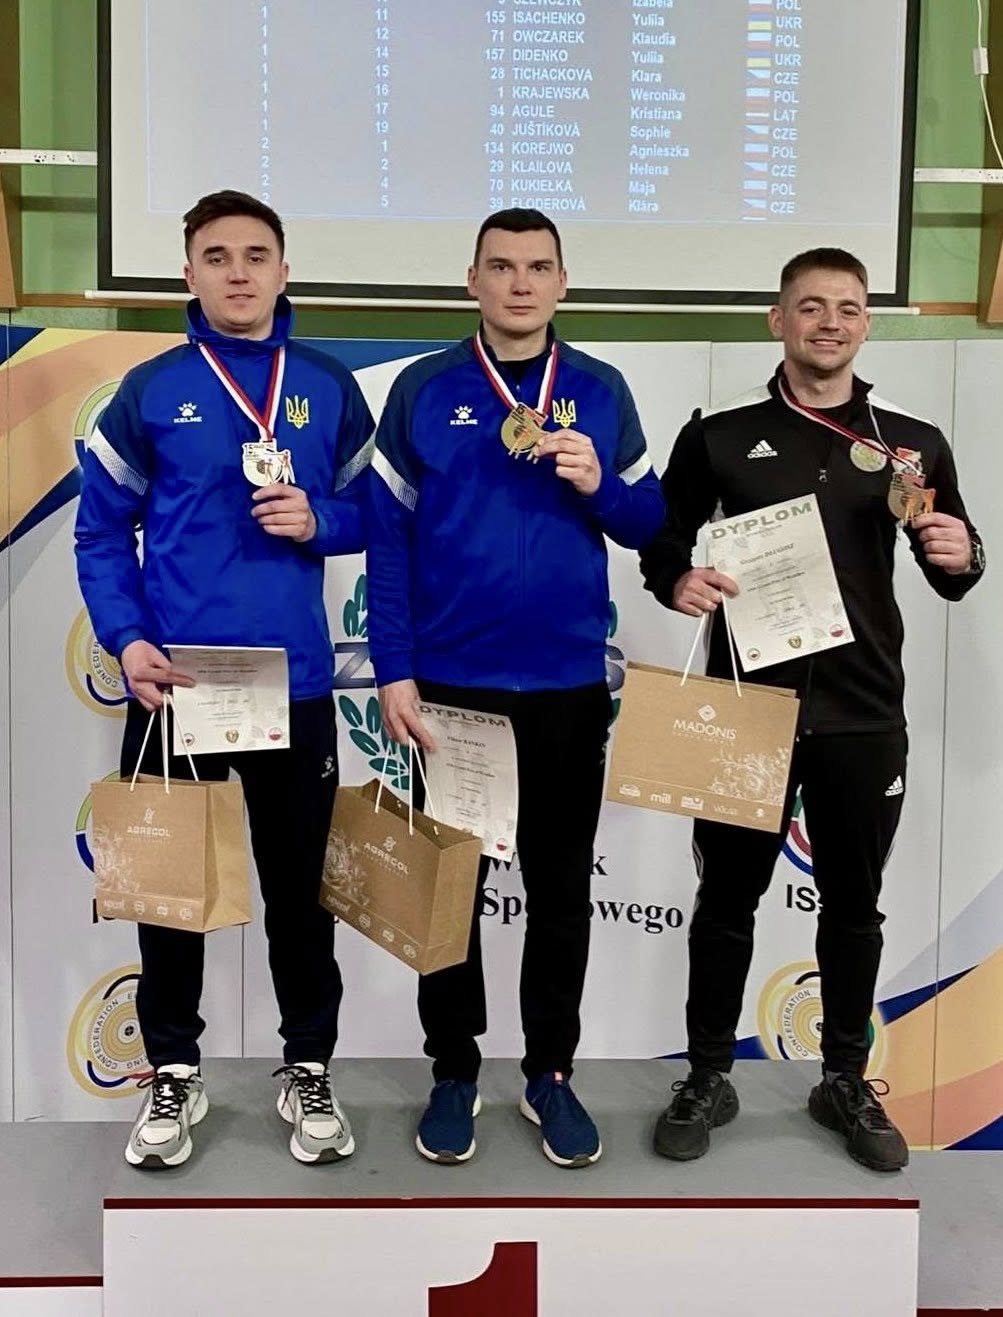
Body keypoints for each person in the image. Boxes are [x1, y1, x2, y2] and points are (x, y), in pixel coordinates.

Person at [640, 247, 985, 1172]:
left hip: (863, 711)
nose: (829, 322)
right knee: (725, 901)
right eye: (810, 306)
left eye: (847, 308)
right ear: (778, 320)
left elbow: (954, 563)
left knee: (854, 907)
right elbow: (662, 540)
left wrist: (963, 554)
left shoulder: (909, 443)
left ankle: (842, 1077)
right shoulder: (719, 435)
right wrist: (676, 578)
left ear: (865, 323)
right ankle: (706, 1073)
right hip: (747, 706)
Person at [75, 190, 374, 1168]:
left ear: (284, 271)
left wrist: (322, 521)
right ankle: (173, 1070)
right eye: (217, 256)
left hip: (294, 689)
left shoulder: (327, 386)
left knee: (301, 896)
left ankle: (308, 1064)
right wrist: (126, 640)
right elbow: (99, 531)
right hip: (179, 687)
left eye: (255, 255)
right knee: (171, 895)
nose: (238, 272)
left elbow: (379, 513)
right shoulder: (151, 390)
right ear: (188, 274)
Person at [367, 207, 665, 1168]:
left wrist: (599, 484)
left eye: (538, 267)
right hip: (452, 688)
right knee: (448, 892)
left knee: (561, 890)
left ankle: (550, 1074)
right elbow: (387, 538)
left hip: (567, 685)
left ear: (562, 283)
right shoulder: (423, 388)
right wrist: (393, 667)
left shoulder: (600, 389)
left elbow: (647, 522)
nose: (520, 283)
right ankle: (453, 1071)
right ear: (473, 281)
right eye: (501, 266)